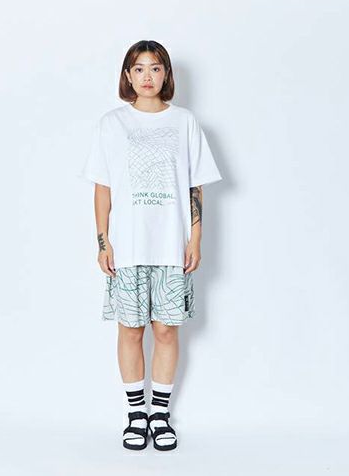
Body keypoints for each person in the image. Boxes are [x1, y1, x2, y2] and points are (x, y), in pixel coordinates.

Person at [79, 40, 222, 451]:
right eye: (139, 68)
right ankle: (135, 414)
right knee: (130, 329)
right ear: (127, 75)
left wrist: (195, 237)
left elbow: (195, 186)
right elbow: (102, 188)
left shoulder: (185, 122)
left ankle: (160, 414)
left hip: (170, 245)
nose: (147, 76)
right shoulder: (112, 124)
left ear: (166, 74)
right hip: (128, 245)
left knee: (165, 330)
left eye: (155, 68)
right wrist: (103, 242)